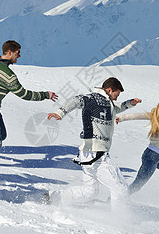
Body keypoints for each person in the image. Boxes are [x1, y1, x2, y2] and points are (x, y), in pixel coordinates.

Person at [46, 77, 142, 211]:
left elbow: (115, 108)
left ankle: (53, 198)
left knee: (90, 191)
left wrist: (129, 103)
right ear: (109, 89)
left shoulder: (107, 103)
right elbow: (75, 100)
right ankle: (122, 220)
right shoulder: (94, 99)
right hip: (97, 154)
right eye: (116, 94)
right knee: (119, 188)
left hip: (87, 153)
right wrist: (60, 113)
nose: (116, 98)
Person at [0, 40, 58, 165]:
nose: (19, 56)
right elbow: (24, 94)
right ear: (9, 52)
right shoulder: (9, 76)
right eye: (18, 53)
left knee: (1, 135)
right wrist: (45, 95)